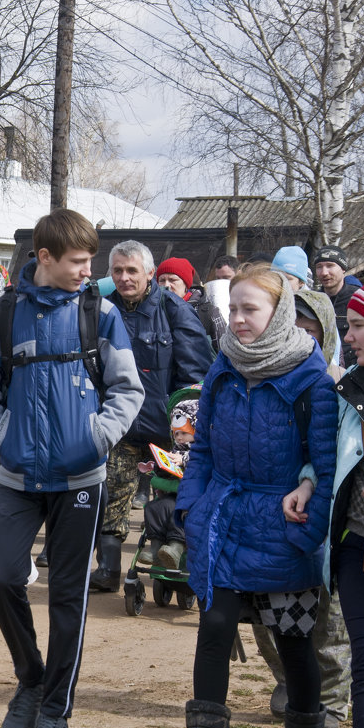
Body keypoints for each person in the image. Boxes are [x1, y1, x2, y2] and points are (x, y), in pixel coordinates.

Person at [0, 209, 144, 728]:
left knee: (69, 596)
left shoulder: (102, 314)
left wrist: (98, 437)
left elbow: (127, 390)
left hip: (81, 478)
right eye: (79, 261)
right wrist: (3, 437)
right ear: (44, 258)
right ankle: (31, 677)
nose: (90, 270)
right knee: (0, 577)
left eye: (92, 260)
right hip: (18, 476)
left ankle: (55, 712)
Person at [172, 264, 337, 728]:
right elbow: (200, 449)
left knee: (292, 642)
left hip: (284, 529)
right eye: (234, 309)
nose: (239, 320)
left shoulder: (312, 379)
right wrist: (191, 509)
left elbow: (327, 469)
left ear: (280, 312)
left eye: (251, 310)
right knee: (214, 629)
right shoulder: (224, 366)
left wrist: (308, 537)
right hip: (222, 520)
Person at [249, 285, 350, 728]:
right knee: (267, 606)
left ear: (325, 332)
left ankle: (330, 697)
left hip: (327, 515)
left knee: (329, 613)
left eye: (307, 328)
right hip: (269, 511)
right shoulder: (260, 379)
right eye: (289, 326)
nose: (297, 336)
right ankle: (290, 680)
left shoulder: (343, 385)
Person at [93, 241, 211, 593]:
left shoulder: (176, 310)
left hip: (166, 429)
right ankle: (108, 568)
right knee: (113, 493)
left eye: (132, 271)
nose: (125, 278)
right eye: (118, 271)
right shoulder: (102, 310)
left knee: (172, 499)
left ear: (149, 273)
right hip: (120, 425)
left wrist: (183, 429)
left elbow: (195, 374)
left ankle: (171, 564)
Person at [325, 279, 364, 728]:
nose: (349, 336)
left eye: (360, 326)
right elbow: (327, 455)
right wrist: (307, 482)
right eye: (348, 326)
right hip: (363, 546)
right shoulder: (353, 386)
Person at [133, 386, 199, 569]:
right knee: (155, 507)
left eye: (184, 433)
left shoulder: (203, 451)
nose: (179, 438)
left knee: (179, 511)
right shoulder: (176, 449)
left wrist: (184, 459)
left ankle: (176, 547)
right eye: (175, 433)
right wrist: (158, 467)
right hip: (174, 494)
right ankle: (155, 548)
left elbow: (204, 462)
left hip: (194, 499)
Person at [156, 256, 227, 354]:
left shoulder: (209, 313)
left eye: (173, 280)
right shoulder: (153, 312)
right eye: (162, 280)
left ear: (186, 284)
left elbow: (224, 354)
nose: (167, 285)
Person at [313, 245, 363, 368]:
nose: (324, 273)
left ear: (343, 268)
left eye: (330, 265)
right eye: (319, 267)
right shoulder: (313, 302)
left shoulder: (360, 299)